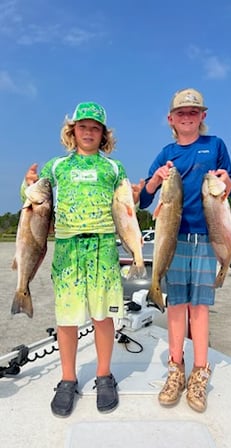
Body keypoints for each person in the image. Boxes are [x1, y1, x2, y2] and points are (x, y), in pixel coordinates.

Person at [134, 88, 231, 412]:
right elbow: (144, 199)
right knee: (177, 307)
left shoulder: (216, 145)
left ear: (202, 116)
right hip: (174, 240)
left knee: (201, 309)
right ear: (171, 119)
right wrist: (154, 180)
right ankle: (175, 369)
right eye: (181, 112)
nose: (187, 117)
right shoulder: (167, 153)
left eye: (193, 112)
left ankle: (199, 373)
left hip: (208, 239)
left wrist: (228, 181)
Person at [22, 102, 128, 417]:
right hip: (67, 250)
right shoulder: (56, 166)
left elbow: (125, 210)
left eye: (95, 128)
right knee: (67, 319)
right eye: (83, 126)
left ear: (103, 134)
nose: (88, 132)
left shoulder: (114, 168)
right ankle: (68, 379)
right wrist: (26, 183)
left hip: (104, 249)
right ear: (73, 130)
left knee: (102, 317)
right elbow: (33, 201)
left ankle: (104, 375)